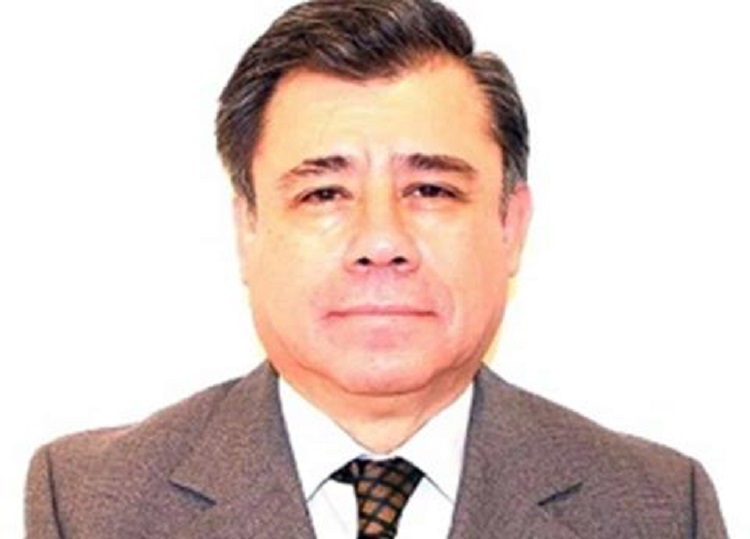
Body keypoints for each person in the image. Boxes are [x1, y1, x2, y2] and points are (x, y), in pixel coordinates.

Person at [25, 0, 727, 537]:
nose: (382, 240)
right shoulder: (90, 503)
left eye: (432, 190)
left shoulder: (660, 506)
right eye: (324, 193)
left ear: (510, 226)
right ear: (248, 228)